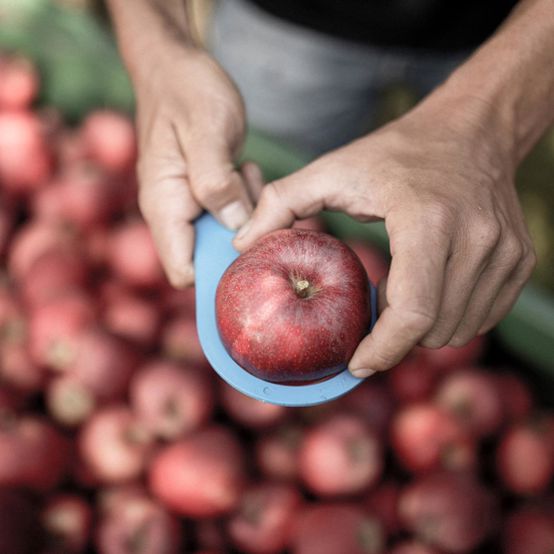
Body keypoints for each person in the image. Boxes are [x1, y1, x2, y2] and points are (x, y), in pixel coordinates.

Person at [105, 0, 553, 378]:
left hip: (507, 29)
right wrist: (157, 46)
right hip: (285, 26)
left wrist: (491, 120)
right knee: (257, 148)